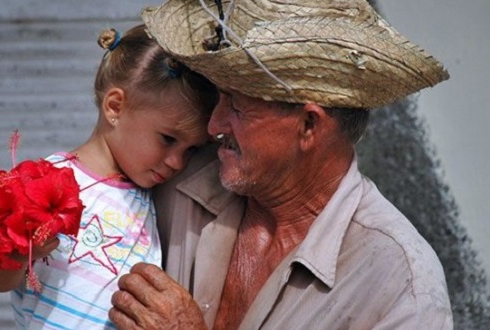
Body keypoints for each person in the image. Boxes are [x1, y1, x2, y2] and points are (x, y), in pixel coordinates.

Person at [108, 0, 454, 329]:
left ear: (308, 126)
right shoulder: (175, 170)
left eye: (238, 108)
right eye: (219, 97)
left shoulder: (400, 285)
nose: (214, 126)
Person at [0, 24, 217, 329]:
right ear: (115, 107)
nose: (177, 162)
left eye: (192, 149)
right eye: (168, 139)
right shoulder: (46, 182)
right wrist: (19, 250)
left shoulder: (149, 193)